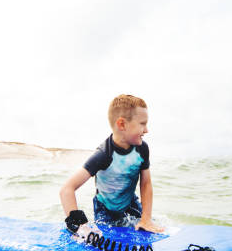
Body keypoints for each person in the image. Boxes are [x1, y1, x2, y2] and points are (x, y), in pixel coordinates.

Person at [59, 94, 165, 240]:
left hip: (130, 204)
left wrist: (146, 218)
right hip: (105, 211)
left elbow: (146, 183)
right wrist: (79, 225)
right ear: (122, 124)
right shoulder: (104, 154)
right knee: (112, 242)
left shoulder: (142, 149)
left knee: (148, 229)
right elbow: (66, 189)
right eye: (142, 123)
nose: (146, 130)